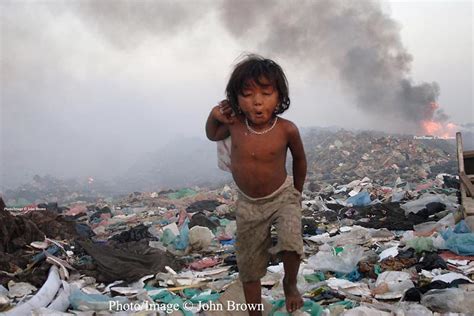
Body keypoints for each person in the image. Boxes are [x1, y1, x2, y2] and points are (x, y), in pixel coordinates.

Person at [205, 54, 307, 314]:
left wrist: (297, 191)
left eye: (266, 93)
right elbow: (212, 134)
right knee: (248, 265)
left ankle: (290, 283)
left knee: (291, 242)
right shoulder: (235, 125)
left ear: (279, 97)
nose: (258, 101)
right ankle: (254, 312)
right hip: (249, 204)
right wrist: (214, 115)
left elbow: (299, 159)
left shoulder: (287, 129)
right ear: (236, 100)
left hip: (283, 196)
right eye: (248, 94)